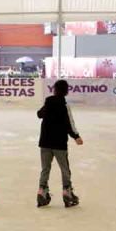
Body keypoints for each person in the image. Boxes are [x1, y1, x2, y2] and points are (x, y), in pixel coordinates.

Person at [36, 79, 83, 208]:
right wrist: (76, 136)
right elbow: (70, 124)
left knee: (45, 168)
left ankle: (42, 190)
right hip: (59, 143)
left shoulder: (49, 101)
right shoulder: (64, 105)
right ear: (66, 91)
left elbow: (39, 114)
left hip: (45, 142)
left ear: (54, 89)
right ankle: (67, 192)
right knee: (65, 168)